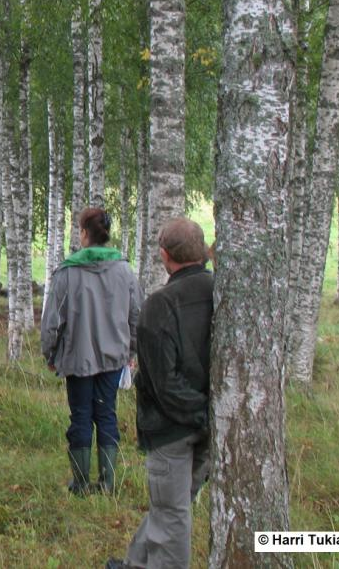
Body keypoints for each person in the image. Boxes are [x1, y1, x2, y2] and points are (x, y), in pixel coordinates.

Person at [107, 218, 213, 569]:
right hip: (211, 424)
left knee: (171, 513)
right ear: (202, 250)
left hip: (173, 428)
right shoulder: (223, 293)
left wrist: (200, 414)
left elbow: (164, 384)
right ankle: (135, 563)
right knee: (172, 506)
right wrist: (212, 416)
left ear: (164, 255)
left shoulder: (160, 305)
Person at [41, 207, 141, 496]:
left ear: (84, 233)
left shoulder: (67, 271)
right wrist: (130, 352)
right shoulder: (124, 270)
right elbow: (137, 316)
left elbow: (52, 321)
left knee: (81, 416)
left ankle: (81, 483)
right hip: (113, 360)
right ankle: (107, 484)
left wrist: (50, 354)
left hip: (78, 359)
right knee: (106, 414)